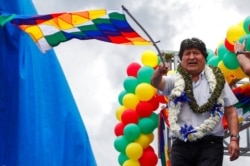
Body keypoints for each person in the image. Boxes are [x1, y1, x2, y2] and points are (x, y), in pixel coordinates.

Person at [151, 37, 240, 166]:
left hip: (211, 144)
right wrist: (159, 72)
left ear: (204, 58)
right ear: (182, 59)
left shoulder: (218, 80)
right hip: (181, 144)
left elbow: (230, 112)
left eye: (196, 53)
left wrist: (234, 139)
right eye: (187, 54)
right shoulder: (174, 80)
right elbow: (156, 82)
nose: (192, 57)